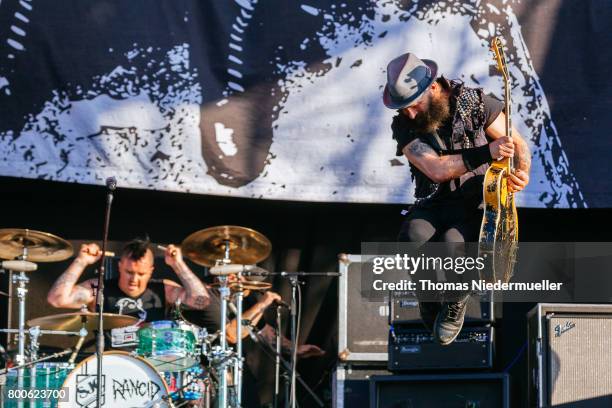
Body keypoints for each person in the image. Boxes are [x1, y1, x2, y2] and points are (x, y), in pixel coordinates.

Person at [382, 53, 531, 345]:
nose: (410, 114)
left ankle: (454, 305)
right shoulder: (403, 125)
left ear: (434, 89)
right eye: (404, 108)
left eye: (414, 105)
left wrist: (521, 173)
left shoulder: (476, 104)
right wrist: (486, 152)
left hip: (477, 203)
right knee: (412, 235)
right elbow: (436, 169)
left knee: (453, 244)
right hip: (435, 200)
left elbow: (517, 144)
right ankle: (427, 298)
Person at [47, 238, 211, 320]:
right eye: (129, 272)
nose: (134, 279)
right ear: (120, 267)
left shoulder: (164, 290)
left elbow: (201, 301)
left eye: (141, 274)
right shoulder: (98, 289)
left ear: (151, 271)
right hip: (109, 364)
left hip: (152, 367)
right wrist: (81, 261)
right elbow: (57, 299)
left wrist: (178, 265)